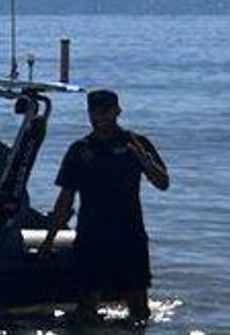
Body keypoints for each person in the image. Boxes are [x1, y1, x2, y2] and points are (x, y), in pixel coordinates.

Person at [41, 89, 170, 322]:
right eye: (94, 112)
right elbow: (65, 198)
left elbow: (163, 183)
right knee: (86, 304)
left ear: (117, 111)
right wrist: (49, 239)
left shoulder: (136, 143)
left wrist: (144, 160)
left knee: (138, 306)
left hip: (129, 234)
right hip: (91, 235)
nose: (99, 117)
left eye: (105, 112)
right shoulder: (80, 149)